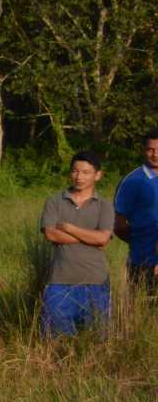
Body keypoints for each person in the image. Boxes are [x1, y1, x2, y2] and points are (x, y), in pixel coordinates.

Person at [41, 151, 116, 338]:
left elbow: (103, 239)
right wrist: (91, 238)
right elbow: (50, 233)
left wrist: (69, 228)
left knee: (97, 338)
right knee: (55, 337)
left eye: (86, 172)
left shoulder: (104, 205)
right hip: (60, 281)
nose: (79, 177)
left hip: (96, 281)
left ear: (98, 175)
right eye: (75, 171)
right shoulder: (55, 201)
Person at [114, 129, 158, 297]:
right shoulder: (132, 181)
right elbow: (119, 226)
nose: (155, 154)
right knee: (144, 309)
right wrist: (141, 242)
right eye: (150, 149)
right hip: (143, 263)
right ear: (143, 150)